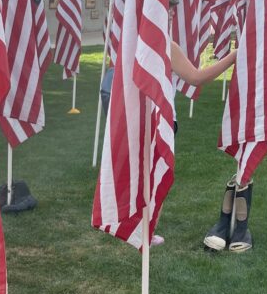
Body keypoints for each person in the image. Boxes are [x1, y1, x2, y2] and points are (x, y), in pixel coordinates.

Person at [100, 46, 237, 245]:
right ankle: (146, 231)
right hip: (158, 121)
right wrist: (232, 57)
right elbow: (197, 78)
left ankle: (136, 226)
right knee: (156, 177)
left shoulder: (133, 38)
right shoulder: (165, 44)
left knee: (142, 176)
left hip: (134, 119)